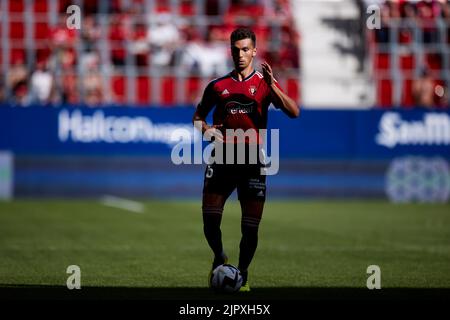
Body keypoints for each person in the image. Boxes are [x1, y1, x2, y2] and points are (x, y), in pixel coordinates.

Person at [192, 28, 299, 292]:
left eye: (245, 49)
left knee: (250, 229)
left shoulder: (264, 84)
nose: (240, 54)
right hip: (222, 157)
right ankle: (219, 255)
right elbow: (197, 118)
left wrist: (273, 85)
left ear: (254, 51)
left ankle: (243, 274)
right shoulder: (217, 86)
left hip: (252, 161)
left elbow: (294, 112)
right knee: (209, 221)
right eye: (235, 49)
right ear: (231, 51)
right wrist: (207, 130)